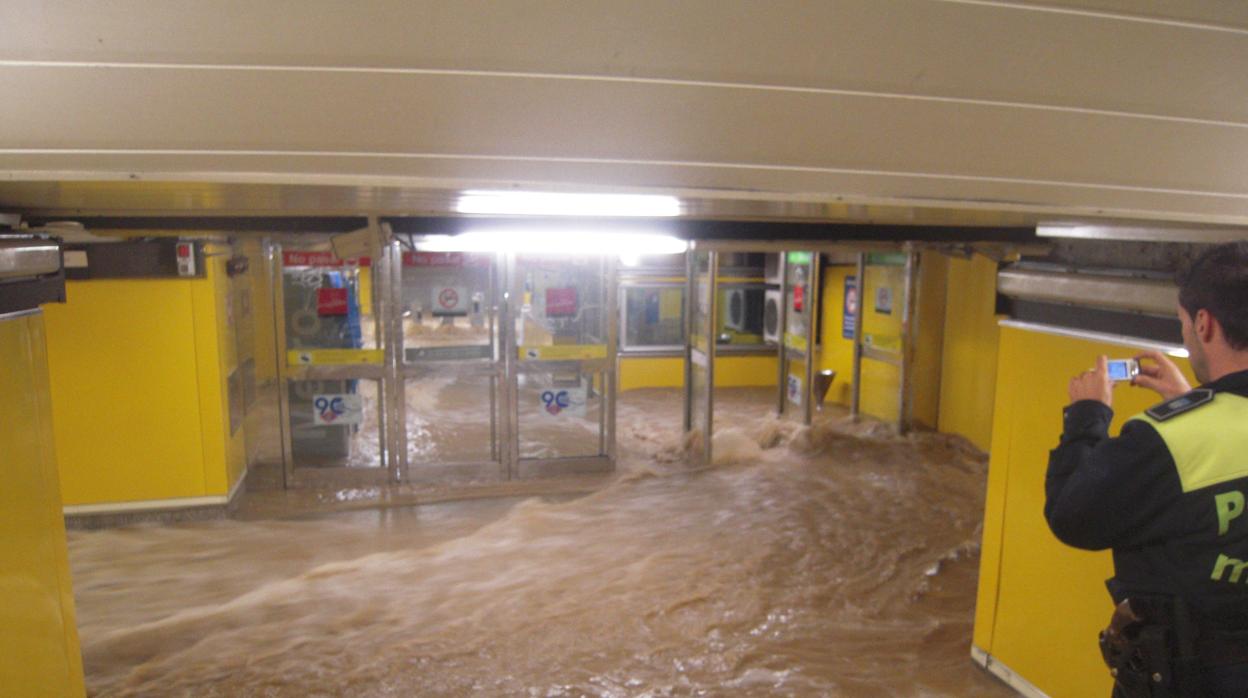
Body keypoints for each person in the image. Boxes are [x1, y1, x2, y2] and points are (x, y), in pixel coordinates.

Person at [1045, 241, 1248, 697]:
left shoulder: (1167, 440)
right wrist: (1194, 404)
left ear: (1204, 323)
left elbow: (1071, 516)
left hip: (1192, 678)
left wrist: (1086, 417)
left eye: (1183, 326)